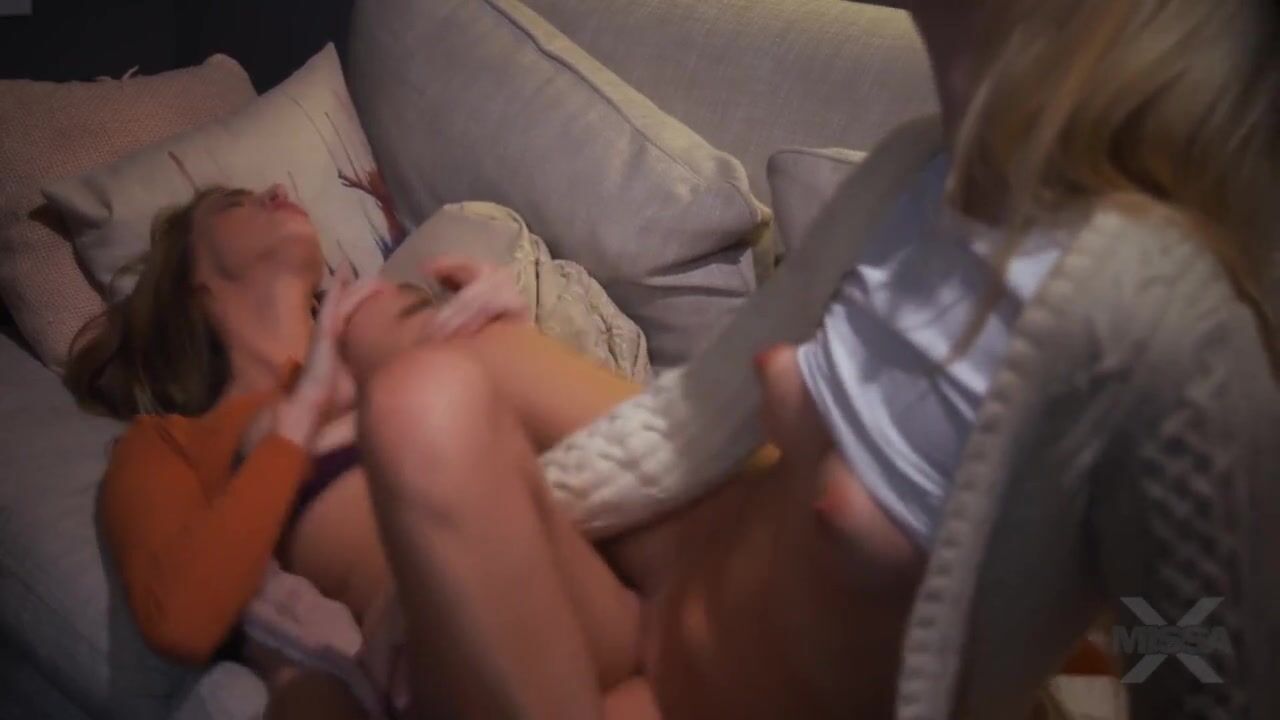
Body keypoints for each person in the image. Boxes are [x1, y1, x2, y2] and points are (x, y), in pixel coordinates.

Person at [343, 0, 1279, 717]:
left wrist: (1100, 639)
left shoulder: (1162, 320)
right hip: (648, 613)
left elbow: (1208, 654)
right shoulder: (921, 171)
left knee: (420, 404)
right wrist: (437, 581)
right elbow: (681, 426)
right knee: (423, 398)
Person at [63, 183, 641, 717]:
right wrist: (301, 416)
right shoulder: (173, 443)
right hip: (455, 648)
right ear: (194, 282)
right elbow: (181, 618)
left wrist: (513, 341)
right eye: (236, 202)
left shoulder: (379, 327)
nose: (277, 189)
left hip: (592, 578)